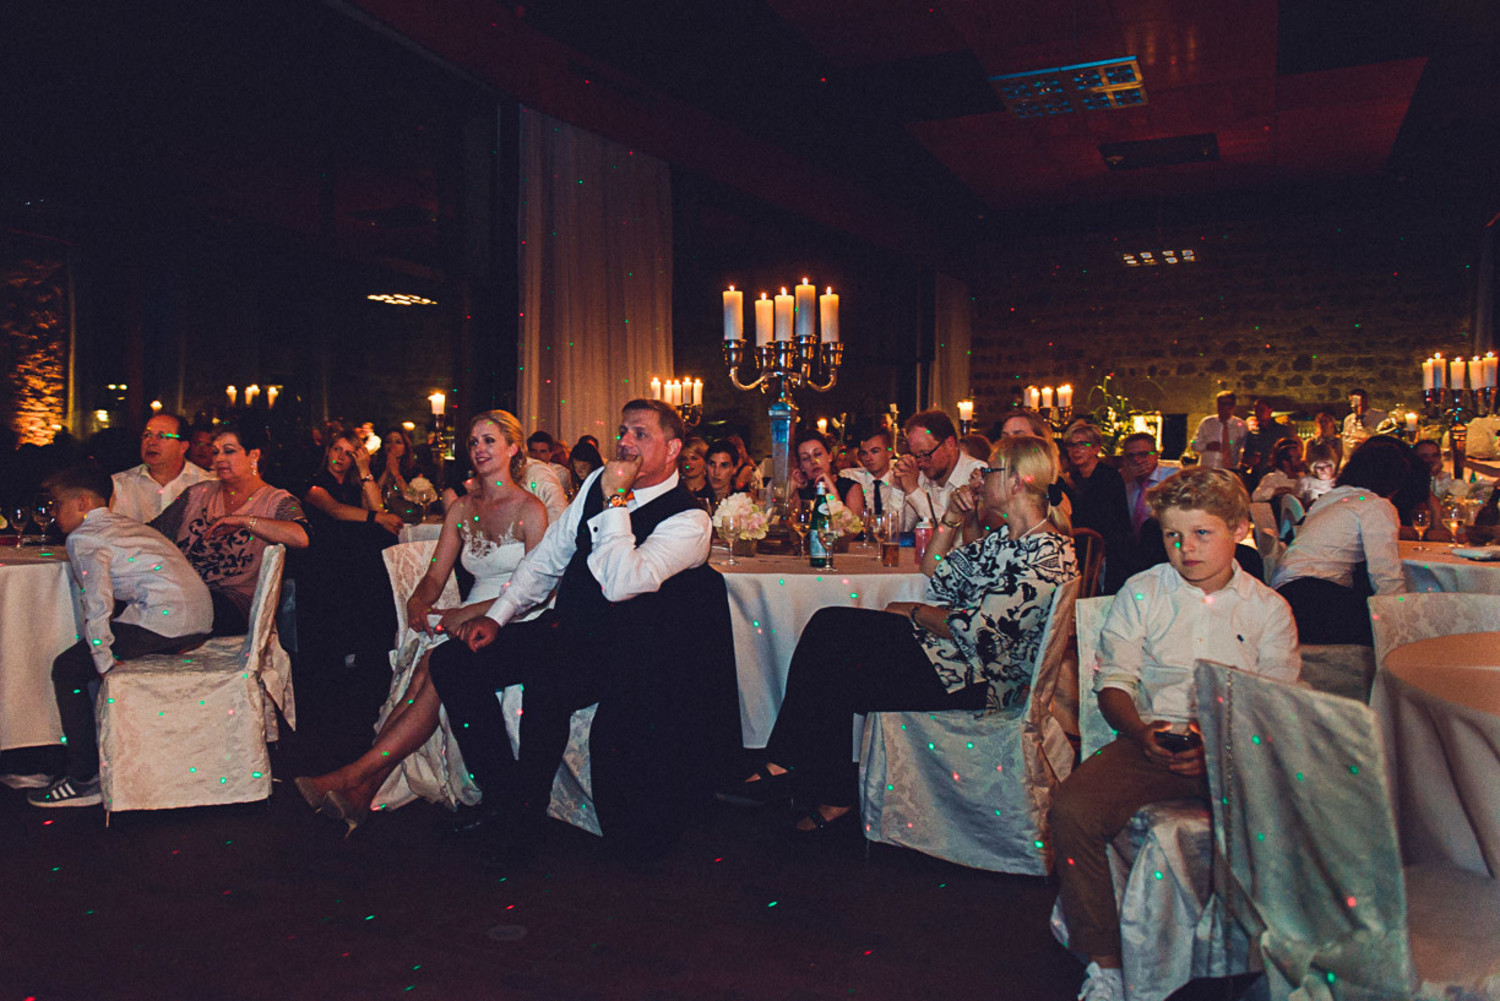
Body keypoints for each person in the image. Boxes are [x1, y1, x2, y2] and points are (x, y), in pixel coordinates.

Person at [428, 399, 739, 864]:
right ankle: (503, 794)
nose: (625, 443)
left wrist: (616, 500)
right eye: (622, 431)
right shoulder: (596, 483)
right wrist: (498, 616)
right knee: (452, 661)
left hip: (630, 654)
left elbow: (620, 585)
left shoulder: (689, 520)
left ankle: (525, 820)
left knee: (549, 683)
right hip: (569, 631)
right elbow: (549, 557)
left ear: (673, 448)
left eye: (639, 434)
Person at [721, 435, 1078, 833]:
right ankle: (808, 778)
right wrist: (952, 519)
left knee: (835, 649)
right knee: (831, 635)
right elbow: (934, 570)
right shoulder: (1007, 539)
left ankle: (799, 772)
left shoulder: (1045, 553)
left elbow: (979, 634)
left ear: (1015, 482)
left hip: (980, 678)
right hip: (950, 659)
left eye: (989, 471)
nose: (979, 477)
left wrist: (912, 610)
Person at [1050, 467, 1300, 1001]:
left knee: (1295, 813)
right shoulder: (1142, 592)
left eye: (1202, 533)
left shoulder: (1268, 610)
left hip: (1239, 748)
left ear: (1237, 530)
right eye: (1172, 535)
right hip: (1152, 740)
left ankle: (1262, 958)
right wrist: (1140, 732)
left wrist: (1222, 750)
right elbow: (1114, 683)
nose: (1185, 549)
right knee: (1071, 809)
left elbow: (1276, 707)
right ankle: (1106, 962)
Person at [293, 411, 548, 830]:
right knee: (426, 672)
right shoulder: (464, 507)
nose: (479, 449)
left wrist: (465, 614)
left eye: (489, 440)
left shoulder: (532, 510)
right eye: (474, 442)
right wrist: (418, 600)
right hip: (463, 621)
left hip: (512, 621)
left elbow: (535, 589)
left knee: (433, 668)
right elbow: (435, 574)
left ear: (512, 448)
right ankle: (361, 789)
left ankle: (352, 778)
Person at [27, 465, 214, 809]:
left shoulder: (83, 537)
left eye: (57, 505)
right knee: (89, 657)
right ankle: (102, 752)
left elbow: (97, 604)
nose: (53, 514)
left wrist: (105, 662)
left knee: (67, 668)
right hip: (199, 619)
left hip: (166, 622)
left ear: (82, 503)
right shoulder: (124, 524)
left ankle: (84, 777)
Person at [151, 424, 311, 636]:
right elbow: (154, 534)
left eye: (229, 451)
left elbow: (301, 537)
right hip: (180, 592)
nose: (218, 459)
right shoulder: (196, 494)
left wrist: (246, 521)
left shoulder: (277, 500)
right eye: (215, 452)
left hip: (232, 603)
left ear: (253, 455)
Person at [1271, 436, 1408, 645]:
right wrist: (1401, 620)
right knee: (1389, 625)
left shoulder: (1333, 497)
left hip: (1285, 595)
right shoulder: (1375, 505)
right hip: (1316, 600)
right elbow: (1385, 573)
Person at [1060, 421, 1132, 595]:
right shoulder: (1072, 479)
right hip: (1080, 547)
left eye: (1082, 444)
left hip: (1106, 549)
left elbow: (1111, 522)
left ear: (1096, 449)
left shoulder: (1108, 477)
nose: (1076, 450)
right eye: (1071, 445)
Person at [110, 412, 215, 523]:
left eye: (161, 436)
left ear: (183, 446)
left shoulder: (207, 484)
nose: (151, 442)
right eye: (147, 435)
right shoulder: (118, 484)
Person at [893, 409, 985, 529]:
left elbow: (957, 535)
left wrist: (914, 491)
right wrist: (898, 488)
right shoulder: (920, 476)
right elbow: (897, 532)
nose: (920, 462)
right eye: (915, 455)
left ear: (950, 443)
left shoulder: (978, 474)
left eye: (925, 453)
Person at [304, 431, 403, 536]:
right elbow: (335, 510)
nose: (340, 457)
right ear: (328, 451)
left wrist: (365, 470)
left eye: (348, 453)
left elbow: (378, 508)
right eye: (337, 449)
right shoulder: (315, 481)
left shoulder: (355, 485)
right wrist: (378, 517)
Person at [839, 424, 903, 524]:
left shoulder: (900, 478)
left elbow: (900, 525)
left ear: (890, 453)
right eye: (864, 453)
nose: (868, 458)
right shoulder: (851, 477)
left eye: (874, 451)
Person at [792, 430, 864, 515]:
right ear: (801, 467)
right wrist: (792, 486)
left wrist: (832, 490)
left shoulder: (851, 487)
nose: (813, 461)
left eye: (818, 454)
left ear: (830, 456)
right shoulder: (801, 490)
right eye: (805, 458)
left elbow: (852, 526)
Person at [1120, 432, 1173, 543]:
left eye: (1143, 454)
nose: (1137, 460)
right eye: (1130, 456)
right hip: (1129, 545)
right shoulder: (1121, 479)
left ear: (1156, 455)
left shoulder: (1171, 478)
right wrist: (1122, 482)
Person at [1188, 391, 1247, 471]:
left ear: (1233, 406)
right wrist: (1207, 446)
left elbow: (1245, 447)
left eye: (1226, 404)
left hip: (1229, 470)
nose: (1222, 407)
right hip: (1207, 469)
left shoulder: (1240, 425)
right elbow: (1193, 443)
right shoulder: (1207, 422)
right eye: (1220, 403)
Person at [1245, 397, 1297, 478]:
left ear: (1270, 410)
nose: (1258, 413)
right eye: (1256, 411)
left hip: (1279, 474)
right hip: (1258, 475)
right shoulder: (1252, 434)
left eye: (1261, 410)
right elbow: (1246, 456)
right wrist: (1251, 460)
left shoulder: (1282, 430)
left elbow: (1292, 452)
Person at [372, 427, 422, 499]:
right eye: (388, 442)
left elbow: (412, 497)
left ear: (405, 448)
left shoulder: (415, 470)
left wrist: (396, 473)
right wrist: (386, 471)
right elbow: (372, 497)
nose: (392, 446)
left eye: (398, 442)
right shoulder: (375, 468)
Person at [1250, 438, 1306, 503]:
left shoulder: (1305, 478)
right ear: (1285, 462)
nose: (1301, 461)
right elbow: (1256, 496)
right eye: (1298, 459)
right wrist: (1277, 491)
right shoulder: (1272, 478)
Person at [1342, 389, 1389, 456]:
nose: (1354, 404)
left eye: (1357, 400)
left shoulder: (1381, 416)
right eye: (1352, 401)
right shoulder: (1348, 419)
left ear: (1366, 400)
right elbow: (1345, 441)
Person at [702, 439, 744, 509]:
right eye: (712, 464)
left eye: (724, 465)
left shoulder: (742, 504)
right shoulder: (696, 501)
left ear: (734, 469)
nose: (716, 472)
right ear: (705, 465)